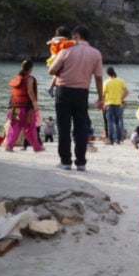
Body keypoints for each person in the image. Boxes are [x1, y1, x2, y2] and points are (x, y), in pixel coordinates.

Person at [48, 25, 104, 172]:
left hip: (64, 91)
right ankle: (81, 163)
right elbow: (98, 78)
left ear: (77, 36)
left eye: (73, 36)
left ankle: (65, 162)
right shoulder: (96, 53)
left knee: (63, 128)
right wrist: (101, 98)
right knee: (81, 128)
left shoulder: (65, 50)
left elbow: (51, 70)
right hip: (82, 93)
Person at [5, 59, 43, 152]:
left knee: (14, 128)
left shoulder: (16, 79)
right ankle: (37, 147)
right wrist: (35, 104)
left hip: (13, 108)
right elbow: (30, 92)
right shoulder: (30, 79)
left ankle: (9, 146)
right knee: (30, 128)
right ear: (31, 68)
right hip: (26, 109)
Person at [102, 67, 129, 145]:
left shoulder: (106, 82)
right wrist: (121, 99)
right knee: (117, 122)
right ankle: (118, 139)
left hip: (109, 103)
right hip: (118, 104)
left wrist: (103, 103)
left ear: (107, 74)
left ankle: (111, 140)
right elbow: (126, 92)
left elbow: (103, 94)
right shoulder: (120, 81)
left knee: (110, 122)